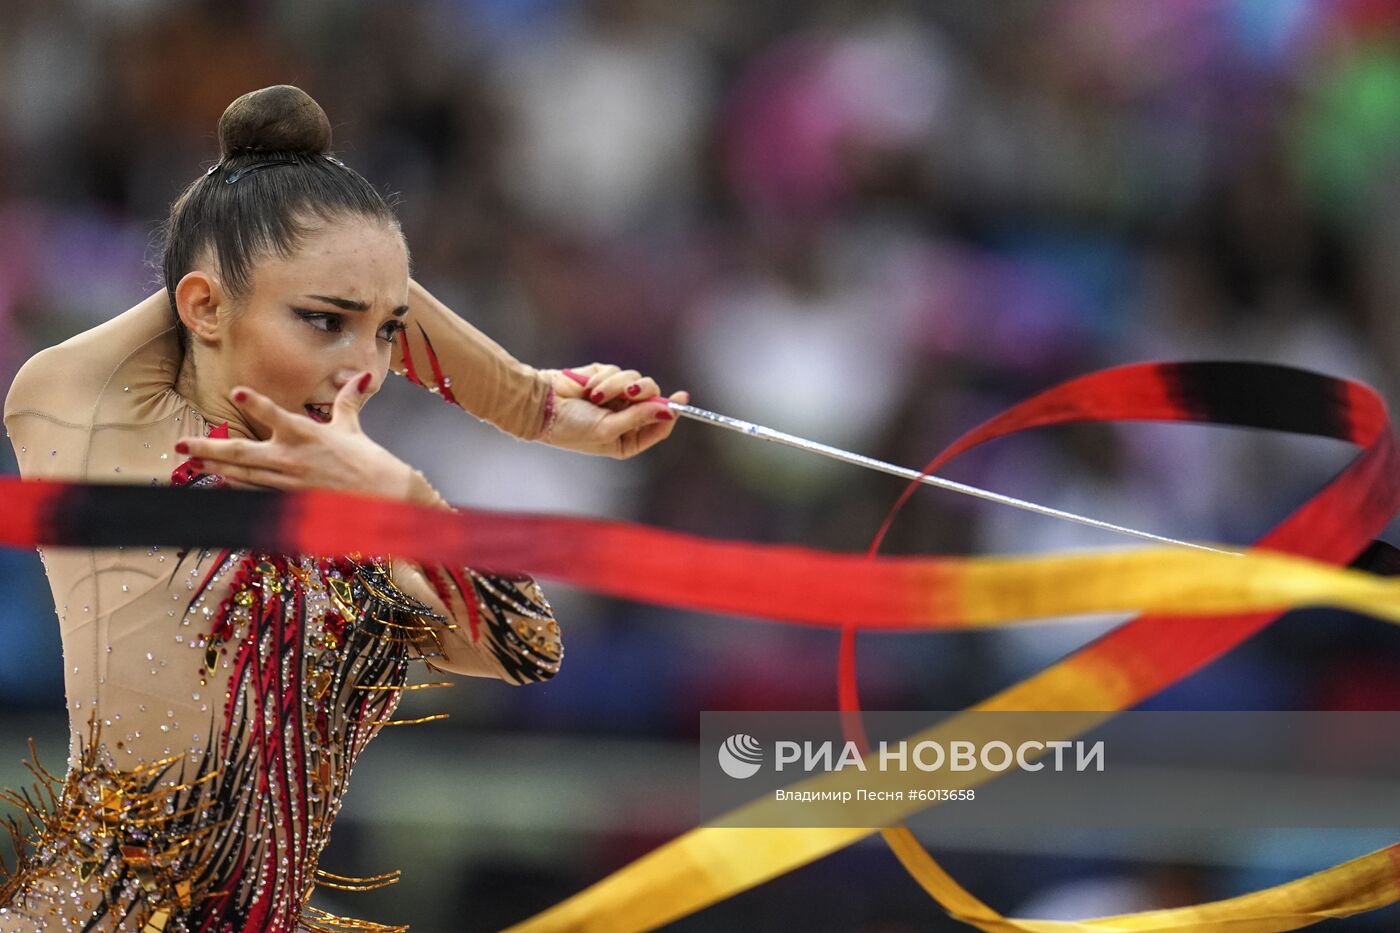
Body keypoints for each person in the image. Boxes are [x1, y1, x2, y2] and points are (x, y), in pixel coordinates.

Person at [0, 85, 686, 932]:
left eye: (390, 332)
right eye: (326, 322)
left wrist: (408, 498)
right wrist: (524, 400)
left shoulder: (369, 527)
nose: (367, 367)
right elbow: (232, 257)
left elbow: (528, 648)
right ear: (203, 308)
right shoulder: (99, 417)